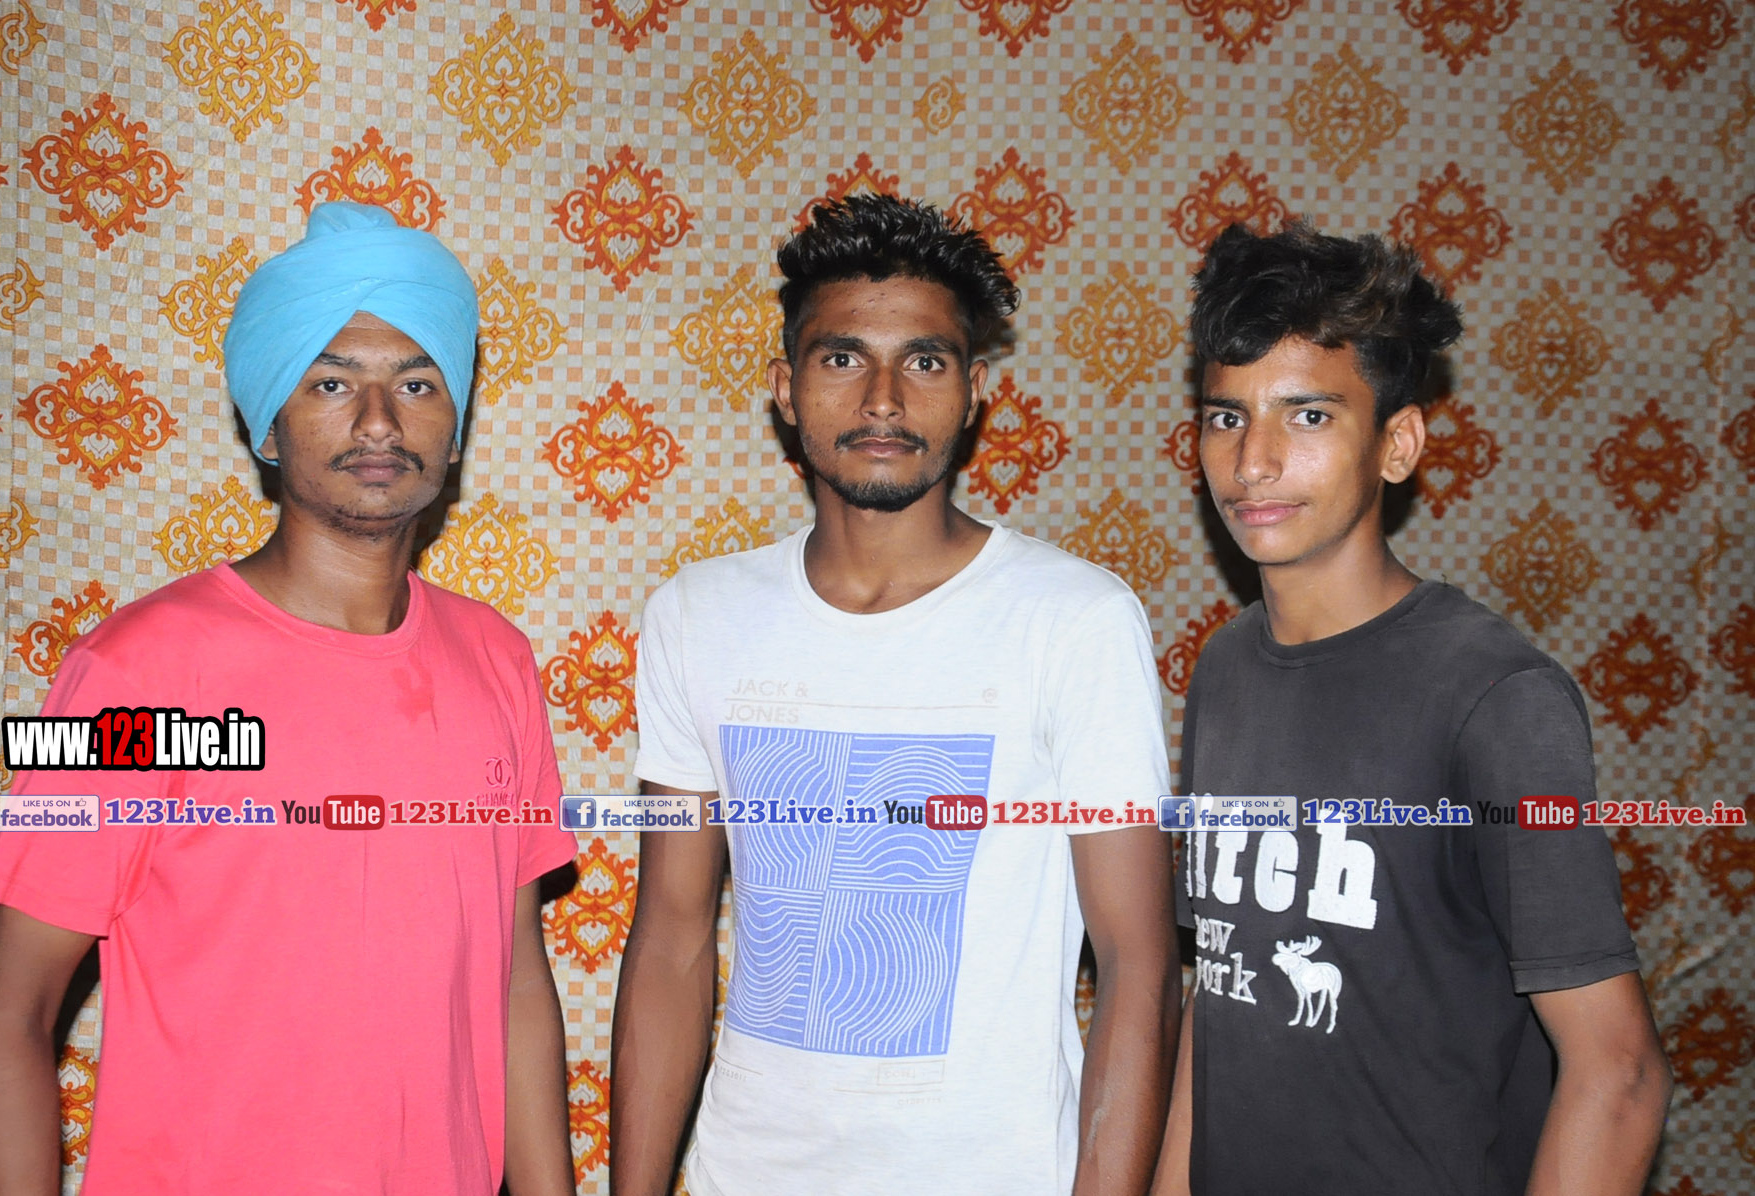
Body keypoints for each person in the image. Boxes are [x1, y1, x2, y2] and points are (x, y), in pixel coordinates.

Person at [0, 203, 579, 1196]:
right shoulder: (133, 676)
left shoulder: (498, 660)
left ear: (455, 425)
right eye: (331, 381)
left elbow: (513, 978)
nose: (378, 420)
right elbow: (5, 1008)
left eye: (416, 382)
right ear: (268, 424)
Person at [610, 194, 1181, 1196]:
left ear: (974, 392)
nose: (883, 399)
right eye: (843, 358)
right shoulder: (697, 614)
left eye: (925, 361)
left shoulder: (1074, 620)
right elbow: (671, 936)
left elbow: (1138, 962)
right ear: (786, 388)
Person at [1152, 222, 1671, 1196]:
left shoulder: (1495, 698)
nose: (1253, 461)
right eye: (1227, 417)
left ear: (1398, 445)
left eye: (1308, 416)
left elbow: (1620, 1071)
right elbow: (1222, 987)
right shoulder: (1223, 669)